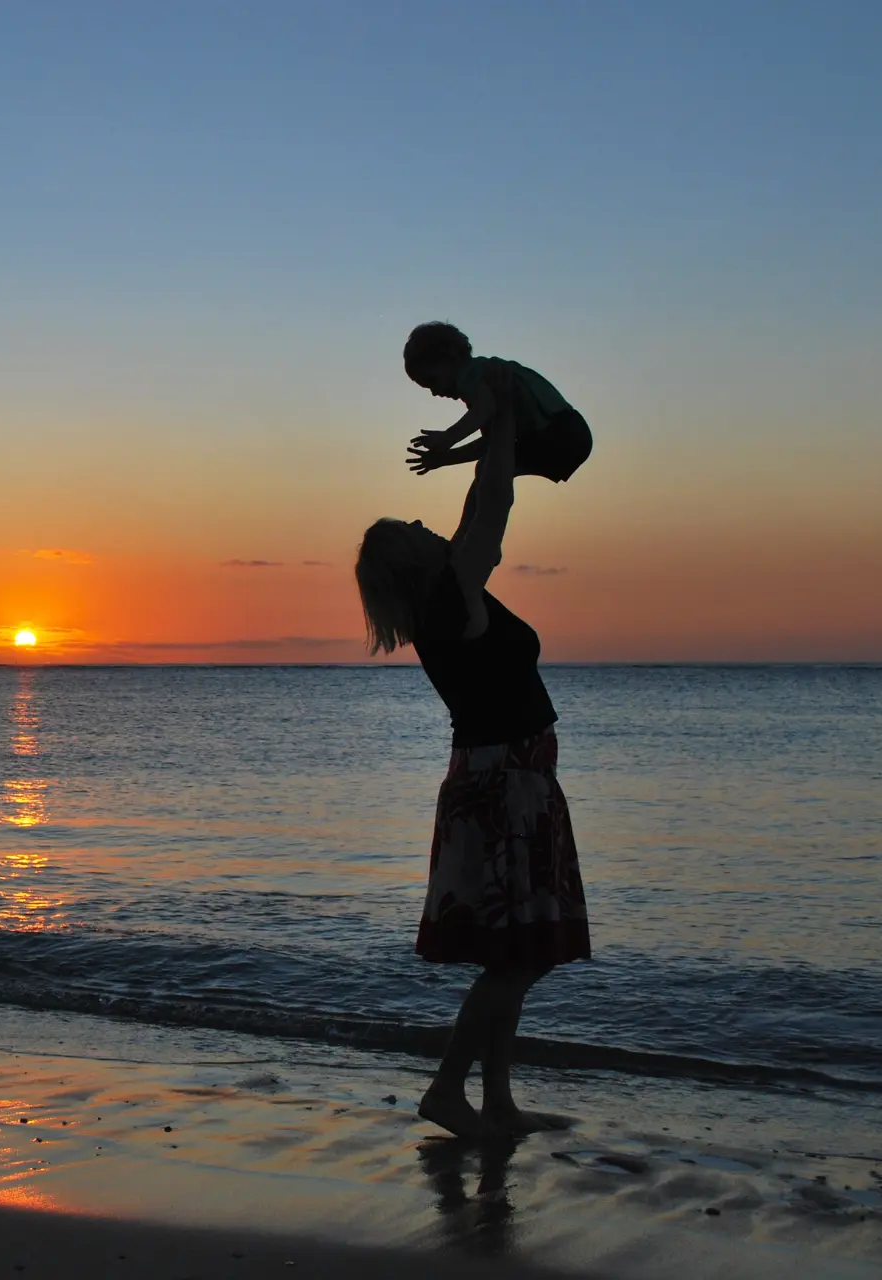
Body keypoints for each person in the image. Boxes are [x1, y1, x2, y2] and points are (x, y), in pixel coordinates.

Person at [354, 397, 591, 1140]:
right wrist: (503, 432)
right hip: (504, 791)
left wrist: (494, 434)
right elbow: (493, 502)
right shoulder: (453, 602)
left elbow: (479, 502)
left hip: (505, 783)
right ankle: (448, 1091)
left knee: (515, 953)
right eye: (414, 530)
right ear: (414, 560)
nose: (429, 528)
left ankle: (498, 1102)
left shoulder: (449, 601)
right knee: (517, 962)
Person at [401, 322, 591, 516]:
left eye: (433, 381)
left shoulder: (475, 374)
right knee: (489, 467)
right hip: (570, 434)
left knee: (489, 472)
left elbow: (485, 408)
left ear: (449, 359)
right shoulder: (483, 383)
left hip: (561, 432)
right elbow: (491, 443)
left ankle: (469, 538)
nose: (435, 392)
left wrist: (448, 438)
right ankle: (469, 535)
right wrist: (445, 458)